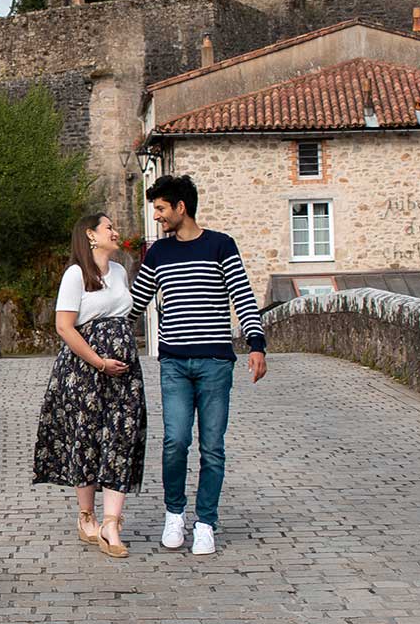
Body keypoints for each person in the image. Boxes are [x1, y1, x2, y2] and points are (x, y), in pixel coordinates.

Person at [135, 174, 267, 555]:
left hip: (214, 363)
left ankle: (206, 522)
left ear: (181, 207)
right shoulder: (157, 253)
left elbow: (243, 297)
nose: (156, 216)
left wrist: (256, 345)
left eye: (160, 208)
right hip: (174, 363)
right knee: (176, 440)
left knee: (212, 447)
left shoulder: (221, 246)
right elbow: (135, 303)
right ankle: (174, 513)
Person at [31, 213, 148, 558]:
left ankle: (112, 523)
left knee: (121, 437)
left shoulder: (121, 272)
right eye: (109, 227)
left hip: (125, 373)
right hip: (84, 370)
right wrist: (98, 361)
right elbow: (65, 327)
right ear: (90, 235)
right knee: (87, 436)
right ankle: (87, 516)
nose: (116, 232)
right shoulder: (76, 275)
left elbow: (124, 316)